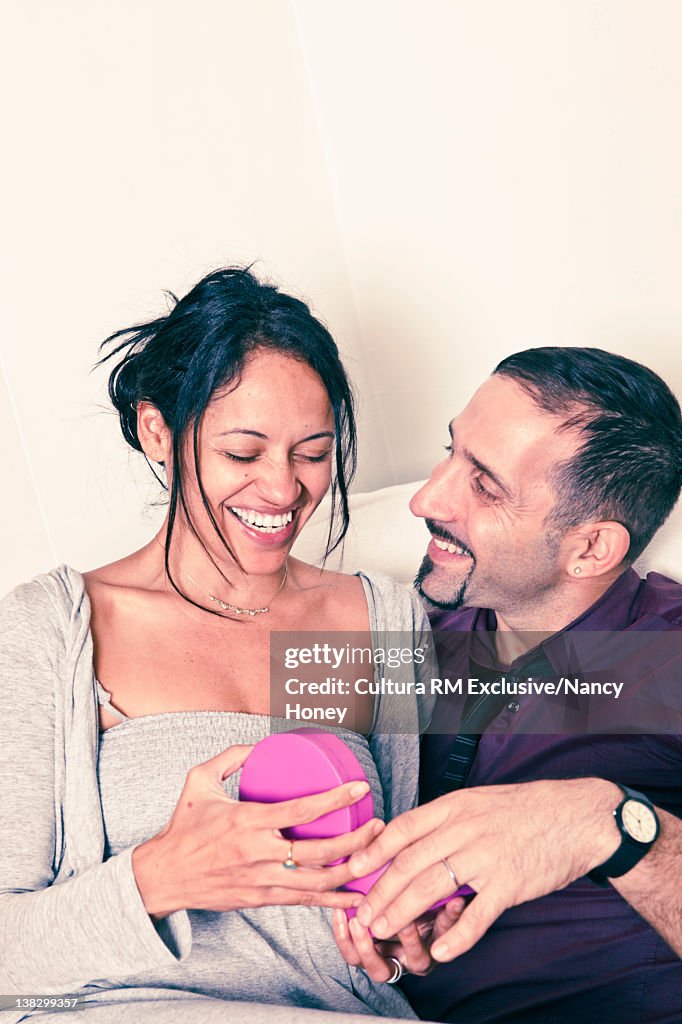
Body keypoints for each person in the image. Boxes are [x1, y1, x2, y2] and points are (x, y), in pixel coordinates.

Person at [0, 267, 436, 1023]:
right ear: (157, 431)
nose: (283, 490)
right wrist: (160, 878)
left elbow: (388, 910)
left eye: (312, 453)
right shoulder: (52, 628)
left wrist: (398, 943)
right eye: (244, 452)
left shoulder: (386, 618)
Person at [334, 348, 682, 1023]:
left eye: (485, 485)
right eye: (450, 453)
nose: (425, 499)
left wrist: (608, 828)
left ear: (591, 548)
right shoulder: (398, 634)